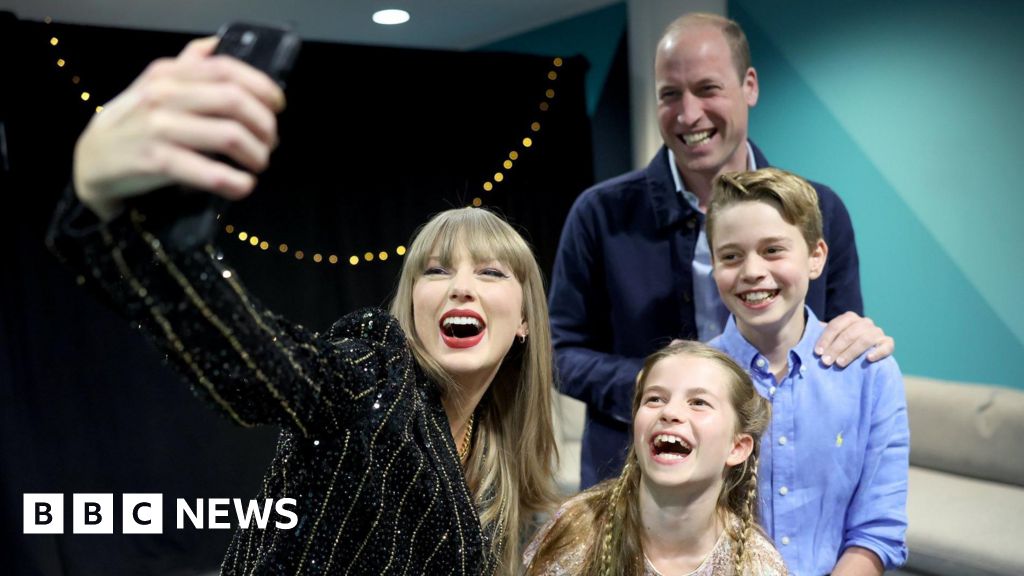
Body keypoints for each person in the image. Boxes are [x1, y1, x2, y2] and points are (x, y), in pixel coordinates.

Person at [47, 37, 559, 575]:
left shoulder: (492, 452)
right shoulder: (375, 374)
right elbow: (256, 361)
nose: (460, 287)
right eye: (436, 270)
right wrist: (108, 211)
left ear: (525, 320)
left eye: (490, 272)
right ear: (409, 305)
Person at [548, 12, 895, 489]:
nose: (688, 115)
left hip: (784, 480)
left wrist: (860, 337)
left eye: (707, 89)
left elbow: (839, 341)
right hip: (634, 479)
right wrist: (656, 385)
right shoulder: (598, 214)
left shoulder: (822, 210)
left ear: (749, 85)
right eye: (670, 94)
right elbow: (558, 351)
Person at [707, 168, 908, 575]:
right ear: (713, 266)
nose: (751, 271)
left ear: (816, 257)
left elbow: (877, 530)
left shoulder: (871, 374)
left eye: (773, 250)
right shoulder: (695, 378)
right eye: (730, 256)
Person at [523, 341, 786, 576]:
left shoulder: (758, 565)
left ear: (737, 447)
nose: (670, 412)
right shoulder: (576, 532)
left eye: (698, 402)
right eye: (655, 399)